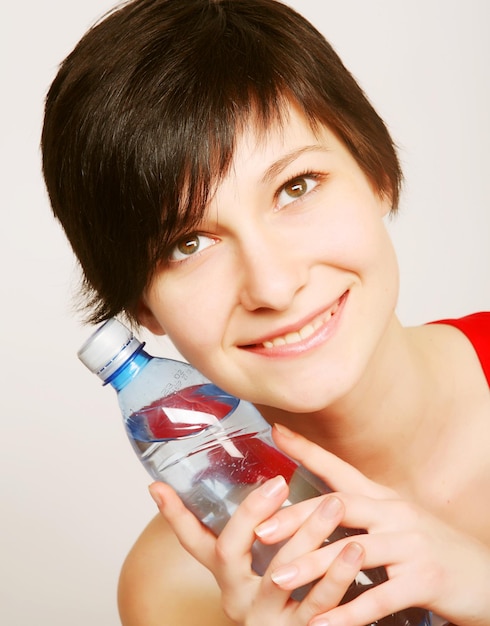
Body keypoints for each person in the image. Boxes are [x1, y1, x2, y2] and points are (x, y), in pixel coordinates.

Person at [41, 0, 490, 624]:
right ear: (141, 305)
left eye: (295, 187)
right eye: (188, 244)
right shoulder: (178, 589)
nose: (273, 286)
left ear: (377, 170)